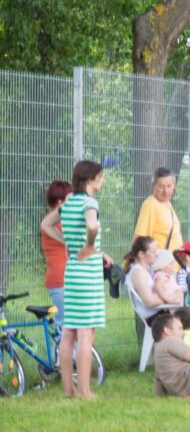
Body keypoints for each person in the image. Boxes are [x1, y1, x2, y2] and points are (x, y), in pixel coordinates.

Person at [59, 159, 109, 399]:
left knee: (69, 332)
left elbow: (46, 224)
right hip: (87, 273)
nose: (103, 181)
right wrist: (90, 246)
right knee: (86, 333)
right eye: (101, 177)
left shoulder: (68, 203)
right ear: (91, 179)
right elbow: (92, 227)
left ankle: (69, 390)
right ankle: (85, 390)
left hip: (71, 271)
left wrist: (70, 244)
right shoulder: (89, 203)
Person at [133, 166, 183, 254]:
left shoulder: (167, 204)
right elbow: (140, 239)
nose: (166, 191)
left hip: (172, 265)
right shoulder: (151, 205)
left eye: (169, 186)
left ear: (174, 186)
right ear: (153, 186)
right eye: (161, 186)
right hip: (158, 265)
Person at [39, 179, 71, 316]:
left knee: (69, 328)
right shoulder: (54, 222)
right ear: (59, 203)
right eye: (69, 200)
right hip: (60, 280)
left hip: (62, 280)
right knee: (66, 328)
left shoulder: (57, 221)